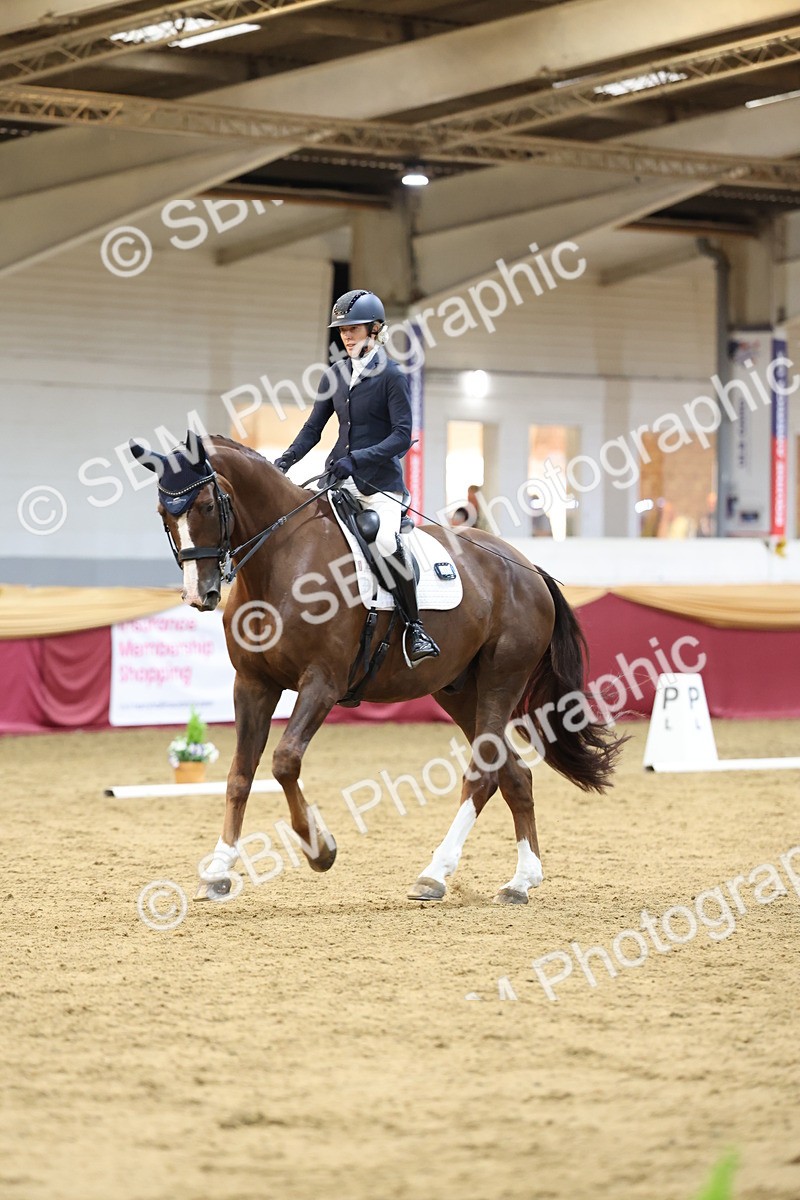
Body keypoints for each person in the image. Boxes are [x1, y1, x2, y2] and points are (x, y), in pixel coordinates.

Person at [274, 288, 440, 666]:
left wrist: (359, 458)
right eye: (342, 330)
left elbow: (402, 435)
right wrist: (283, 462)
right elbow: (313, 428)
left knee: (384, 542)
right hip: (338, 480)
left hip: (380, 486)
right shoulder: (334, 374)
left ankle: (415, 628)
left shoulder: (392, 375)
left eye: (354, 328)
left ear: (375, 329)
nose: (346, 336)